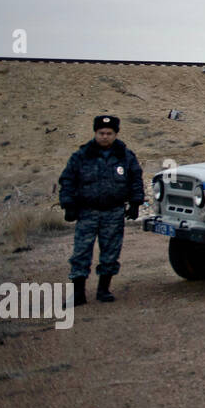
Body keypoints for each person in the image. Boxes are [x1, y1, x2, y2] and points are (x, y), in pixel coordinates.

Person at [58, 115, 144, 304]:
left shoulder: (125, 156)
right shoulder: (82, 156)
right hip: (87, 211)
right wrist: (68, 205)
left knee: (111, 252)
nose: (105, 136)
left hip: (113, 212)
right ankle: (78, 293)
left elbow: (135, 179)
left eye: (109, 133)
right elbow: (67, 180)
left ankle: (104, 290)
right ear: (95, 133)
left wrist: (136, 203)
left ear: (116, 134)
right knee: (81, 252)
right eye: (101, 133)